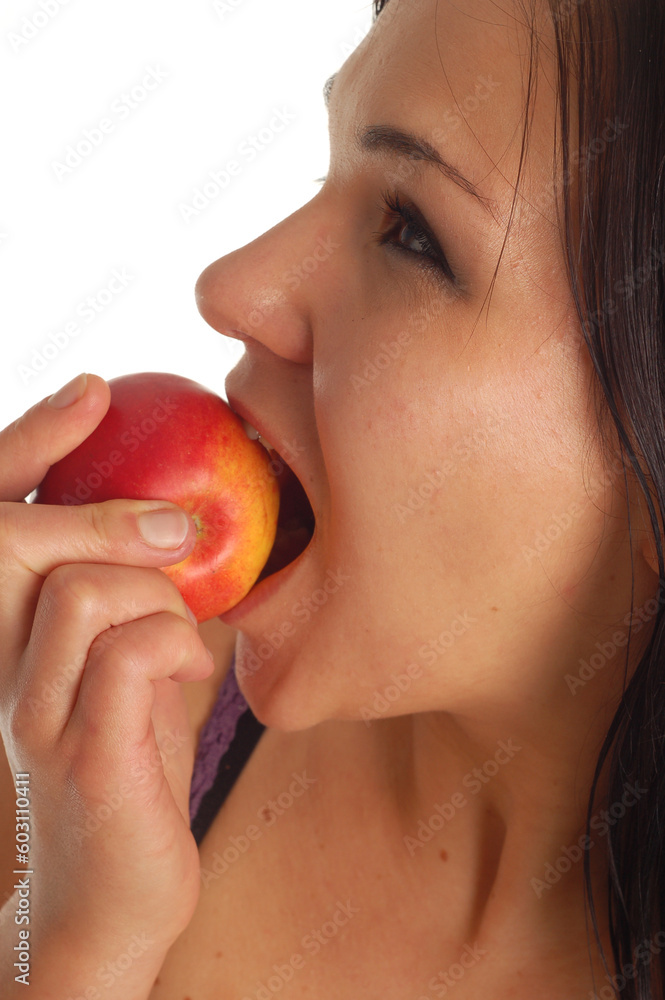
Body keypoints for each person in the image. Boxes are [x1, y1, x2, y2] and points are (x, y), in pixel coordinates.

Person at [1, 0, 664, 996]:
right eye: (327, 175)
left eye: (410, 233)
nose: (230, 285)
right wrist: (62, 939)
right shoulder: (114, 737)